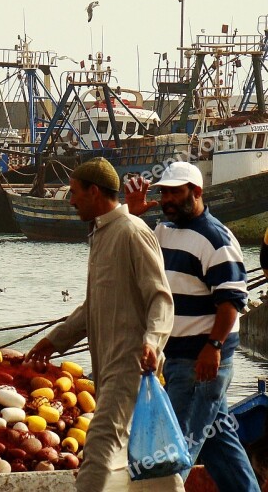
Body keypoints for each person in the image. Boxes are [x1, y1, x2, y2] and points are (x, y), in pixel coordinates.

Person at [26, 157, 180, 491]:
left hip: (132, 363)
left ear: (94, 192)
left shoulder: (132, 233)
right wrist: (54, 341)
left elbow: (160, 298)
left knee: (99, 444)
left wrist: (152, 342)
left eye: (75, 193)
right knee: (149, 457)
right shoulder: (101, 235)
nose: (70, 201)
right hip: (110, 363)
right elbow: (92, 306)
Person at [125, 162, 260, 491]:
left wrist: (212, 348)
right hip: (178, 361)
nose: (168, 199)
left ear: (196, 192)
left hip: (200, 363)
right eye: (164, 192)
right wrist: (134, 214)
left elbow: (231, 301)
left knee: (174, 450)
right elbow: (133, 253)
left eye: (176, 191)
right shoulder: (164, 230)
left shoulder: (216, 239)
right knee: (220, 446)